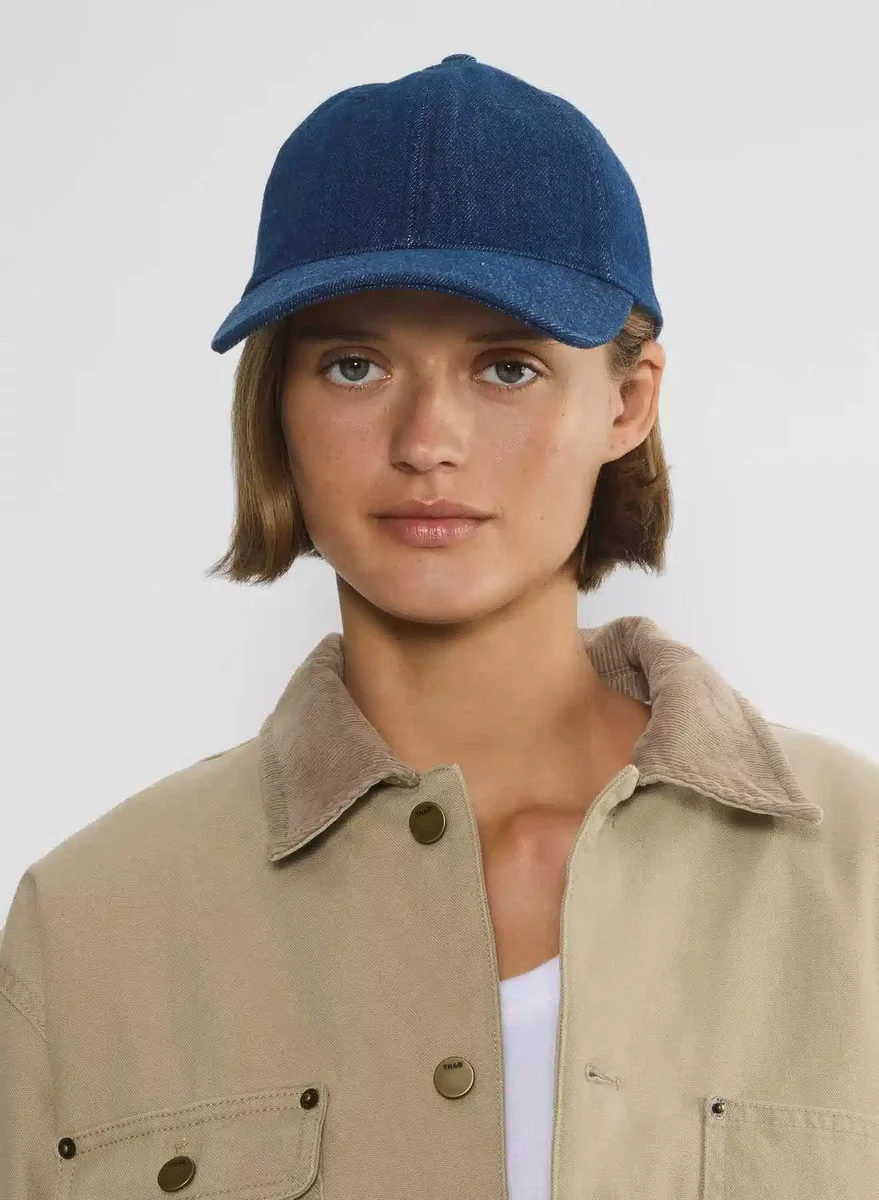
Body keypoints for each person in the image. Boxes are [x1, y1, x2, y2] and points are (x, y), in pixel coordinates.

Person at [2, 54, 878, 1200]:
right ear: (276, 404)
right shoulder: (89, 927)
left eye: (506, 367)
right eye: (354, 364)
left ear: (627, 402)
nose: (426, 441)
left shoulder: (863, 882)